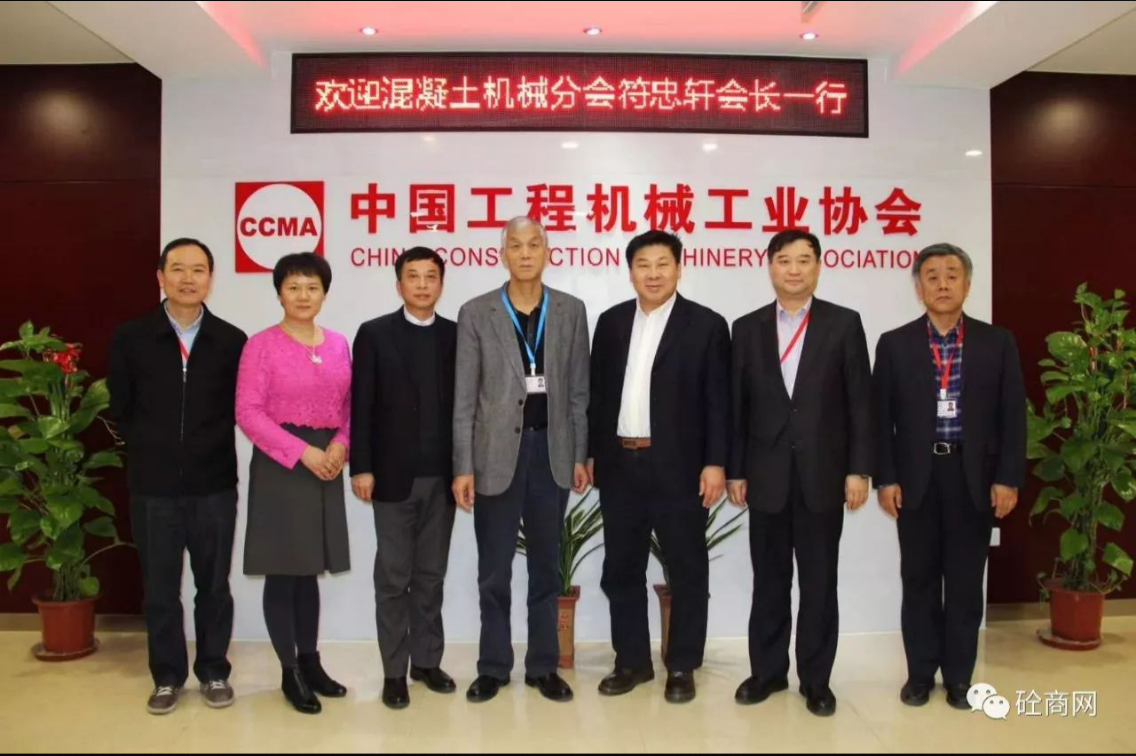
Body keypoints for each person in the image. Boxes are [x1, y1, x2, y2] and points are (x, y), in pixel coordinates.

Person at [872, 243, 1025, 710]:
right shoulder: (894, 344)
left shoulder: (997, 342)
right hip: (915, 479)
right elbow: (881, 419)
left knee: (964, 582)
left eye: (952, 275)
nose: (942, 284)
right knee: (918, 579)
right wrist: (886, 479)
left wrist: (1008, 478)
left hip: (973, 478)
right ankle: (920, 675)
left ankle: (960, 677)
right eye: (932, 276)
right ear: (918, 288)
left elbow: (1012, 416)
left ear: (967, 285)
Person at [728, 229, 873, 718]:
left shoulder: (844, 323)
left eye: (804, 260)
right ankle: (767, 672)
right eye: (784, 260)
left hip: (823, 476)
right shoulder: (746, 328)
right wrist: (736, 470)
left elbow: (860, 403)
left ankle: (816, 680)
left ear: (818, 266)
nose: (794, 269)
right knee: (769, 581)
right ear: (769, 266)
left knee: (819, 583)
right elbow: (738, 407)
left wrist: (858, 470)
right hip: (765, 475)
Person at [588, 229, 731, 704]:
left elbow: (718, 401)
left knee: (686, 569)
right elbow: (598, 396)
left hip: (681, 468)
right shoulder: (611, 322)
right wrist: (591, 453)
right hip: (620, 464)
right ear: (630, 272)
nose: (653, 274)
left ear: (679, 269)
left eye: (662, 264)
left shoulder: (707, 325)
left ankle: (682, 664)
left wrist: (715, 462)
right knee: (621, 568)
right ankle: (632, 661)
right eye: (643, 265)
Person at [452, 217, 590, 704]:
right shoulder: (476, 312)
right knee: (494, 570)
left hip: (551, 453)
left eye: (534, 244)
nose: (525, 253)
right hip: (494, 457)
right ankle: (493, 666)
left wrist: (580, 454)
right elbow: (464, 399)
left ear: (547, 251)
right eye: (516, 245)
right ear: (503, 254)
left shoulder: (570, 310)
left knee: (547, 568)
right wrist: (463, 465)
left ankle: (543, 666)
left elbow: (579, 392)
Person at [108, 238, 246, 715]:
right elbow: (121, 407)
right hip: (154, 488)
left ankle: (213, 671)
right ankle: (166, 677)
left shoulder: (231, 340)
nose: (189, 278)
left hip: (214, 485)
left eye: (199, 270)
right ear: (160, 276)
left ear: (211, 278)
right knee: (161, 591)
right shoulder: (132, 337)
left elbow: (240, 408)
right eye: (179, 269)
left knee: (214, 588)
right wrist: (153, 449)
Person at [236, 252, 351, 715]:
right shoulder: (261, 345)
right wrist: (303, 452)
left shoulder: (339, 343)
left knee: (309, 569)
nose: (303, 295)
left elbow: (350, 406)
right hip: (282, 465)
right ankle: (289, 670)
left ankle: (311, 661)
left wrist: (341, 444)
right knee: (284, 570)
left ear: (325, 293)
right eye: (293, 287)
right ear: (279, 293)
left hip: (327, 463)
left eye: (312, 287)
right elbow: (247, 412)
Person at [350, 247, 458, 710]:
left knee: (431, 576)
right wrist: (361, 466)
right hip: (392, 479)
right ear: (399, 285)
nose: (422, 285)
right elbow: (361, 405)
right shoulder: (374, 334)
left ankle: (427, 662)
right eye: (413, 277)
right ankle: (394, 672)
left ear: (441, 285)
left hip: (443, 479)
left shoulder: (456, 335)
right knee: (394, 579)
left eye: (430, 277)